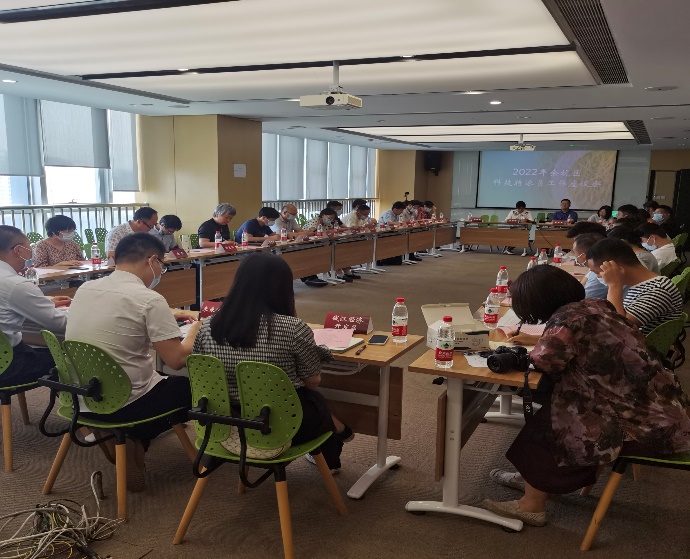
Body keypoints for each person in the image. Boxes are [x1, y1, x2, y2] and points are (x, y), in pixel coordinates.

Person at [483, 265, 690, 527]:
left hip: (645, 427)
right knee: (553, 411)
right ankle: (532, 479)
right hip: (663, 409)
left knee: (551, 426)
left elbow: (546, 362)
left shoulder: (567, 321)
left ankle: (531, 505)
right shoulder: (596, 306)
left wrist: (529, 351)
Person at [192, 252, 351, 472]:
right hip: (279, 428)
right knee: (315, 401)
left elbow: (203, 377)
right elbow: (313, 381)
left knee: (311, 403)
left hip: (222, 423)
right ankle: (336, 441)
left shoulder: (208, 326)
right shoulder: (293, 328)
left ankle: (340, 432)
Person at [66, 233, 201, 491]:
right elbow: (176, 360)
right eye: (162, 265)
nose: (161, 271)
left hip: (81, 395)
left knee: (158, 381)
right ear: (152, 260)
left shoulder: (85, 288)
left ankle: (120, 437)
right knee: (194, 389)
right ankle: (135, 435)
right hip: (125, 401)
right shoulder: (149, 299)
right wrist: (195, 329)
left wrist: (168, 315)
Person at [0, 225, 70, 387]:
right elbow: (60, 323)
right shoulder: (16, 284)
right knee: (69, 358)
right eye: (29, 248)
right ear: (18, 250)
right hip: (9, 364)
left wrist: (42, 302)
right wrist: (85, 311)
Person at [586, 238, 682, 335]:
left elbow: (618, 328)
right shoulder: (640, 285)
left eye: (597, 272)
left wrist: (614, 285)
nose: (598, 277)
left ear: (615, 267)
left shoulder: (658, 290)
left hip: (640, 342)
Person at [303, 209, 359, 282]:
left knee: (339, 250)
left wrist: (348, 229)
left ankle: (345, 272)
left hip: (322, 243)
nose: (331, 220)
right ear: (323, 215)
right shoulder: (314, 221)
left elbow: (334, 230)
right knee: (334, 252)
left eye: (332, 219)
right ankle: (340, 274)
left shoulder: (327, 223)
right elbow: (312, 232)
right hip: (309, 244)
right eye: (329, 218)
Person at [570, 233, 608, 299]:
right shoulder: (595, 267)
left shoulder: (599, 274)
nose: (574, 255)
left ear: (583, 256)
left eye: (574, 252)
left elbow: (584, 301)